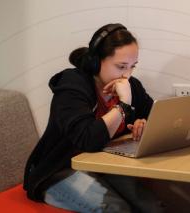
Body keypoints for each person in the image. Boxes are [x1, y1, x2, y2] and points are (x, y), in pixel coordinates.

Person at [23, 23, 163, 212]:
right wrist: (123, 104)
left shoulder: (130, 85)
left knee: (152, 207)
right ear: (96, 61)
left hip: (101, 165)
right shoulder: (72, 86)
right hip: (58, 171)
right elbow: (87, 140)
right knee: (116, 209)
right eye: (121, 66)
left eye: (132, 66)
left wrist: (144, 123)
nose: (127, 75)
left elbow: (155, 116)